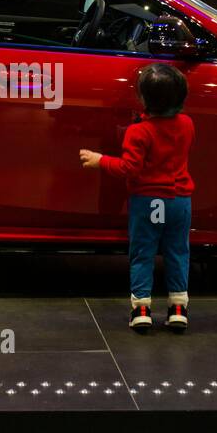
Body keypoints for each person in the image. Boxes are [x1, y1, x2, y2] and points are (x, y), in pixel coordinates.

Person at [79, 63, 194, 334]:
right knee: (178, 252)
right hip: (179, 201)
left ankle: (141, 310)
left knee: (143, 253)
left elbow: (129, 168)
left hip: (148, 200)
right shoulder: (188, 125)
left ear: (143, 99)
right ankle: (178, 308)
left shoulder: (138, 131)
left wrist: (100, 161)